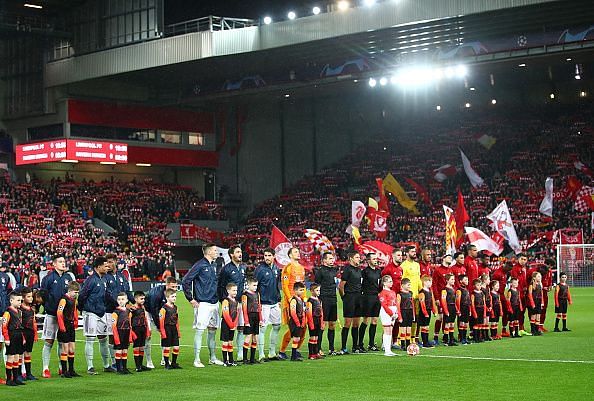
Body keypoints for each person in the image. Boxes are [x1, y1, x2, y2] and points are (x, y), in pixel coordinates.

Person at [181, 243, 224, 368]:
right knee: (200, 331)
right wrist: (191, 299)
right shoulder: (199, 265)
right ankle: (197, 359)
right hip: (203, 304)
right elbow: (186, 281)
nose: (217, 252)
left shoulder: (215, 265)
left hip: (214, 303)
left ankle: (212, 358)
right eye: (215, 250)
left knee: (212, 331)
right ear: (209, 252)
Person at [39, 255, 76, 378]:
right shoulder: (48, 278)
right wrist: (49, 306)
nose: (63, 264)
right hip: (51, 314)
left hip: (65, 317)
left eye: (64, 262)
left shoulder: (68, 277)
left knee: (62, 342)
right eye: (60, 262)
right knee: (49, 341)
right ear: (54, 264)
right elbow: (42, 295)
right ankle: (45, 368)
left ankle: (62, 367)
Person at [79, 256, 113, 375]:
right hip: (91, 313)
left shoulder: (103, 279)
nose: (107, 267)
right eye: (105, 265)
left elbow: (107, 296)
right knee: (90, 339)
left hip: (101, 312)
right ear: (98, 267)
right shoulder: (91, 280)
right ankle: (90, 366)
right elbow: (82, 295)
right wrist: (83, 309)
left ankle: (106, 365)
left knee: (103, 339)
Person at [218, 246, 247, 356]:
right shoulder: (226, 269)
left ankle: (239, 353)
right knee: (231, 328)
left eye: (241, 252)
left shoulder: (243, 267)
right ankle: (229, 354)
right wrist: (224, 301)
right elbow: (221, 286)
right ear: (231, 255)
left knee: (241, 328)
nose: (240, 254)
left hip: (241, 302)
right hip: (230, 304)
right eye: (238, 252)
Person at [254, 248, 282, 361]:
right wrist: (256, 302)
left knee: (277, 325)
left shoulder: (276, 268)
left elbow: (276, 285)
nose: (267, 257)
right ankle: (261, 354)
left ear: (274, 256)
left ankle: (272, 352)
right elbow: (254, 286)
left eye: (269, 255)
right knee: (262, 328)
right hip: (264, 303)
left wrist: (279, 298)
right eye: (265, 255)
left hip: (275, 302)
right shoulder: (260, 269)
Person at [279, 247, 306, 360]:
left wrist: (304, 299)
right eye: (295, 252)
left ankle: (296, 350)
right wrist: (290, 300)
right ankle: (282, 351)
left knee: (303, 327)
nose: (298, 253)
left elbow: (302, 286)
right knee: (293, 328)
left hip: (301, 302)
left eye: (298, 251)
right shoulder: (287, 268)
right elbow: (285, 285)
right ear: (290, 255)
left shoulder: (301, 268)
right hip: (290, 303)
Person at [145, 276, 178, 368]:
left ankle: (164, 359)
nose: (175, 289)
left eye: (176, 287)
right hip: (148, 312)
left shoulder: (169, 295)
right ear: (167, 285)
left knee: (165, 334)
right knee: (148, 336)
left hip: (160, 313)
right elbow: (154, 310)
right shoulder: (156, 294)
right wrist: (159, 326)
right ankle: (149, 361)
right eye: (173, 287)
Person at [314, 252, 338, 355]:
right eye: (330, 258)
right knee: (322, 325)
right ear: (324, 260)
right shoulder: (320, 271)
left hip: (333, 299)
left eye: (333, 258)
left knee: (332, 324)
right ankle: (318, 348)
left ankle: (331, 348)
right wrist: (318, 300)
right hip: (324, 299)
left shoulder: (334, 270)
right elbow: (316, 286)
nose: (332, 260)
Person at [338, 251, 363, 354]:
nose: (359, 259)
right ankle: (343, 347)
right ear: (351, 258)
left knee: (356, 323)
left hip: (358, 297)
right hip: (349, 297)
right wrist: (344, 297)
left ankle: (355, 346)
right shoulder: (347, 269)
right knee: (348, 323)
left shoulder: (359, 270)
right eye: (357, 257)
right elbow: (341, 286)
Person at [57, 281, 80, 378]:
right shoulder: (63, 300)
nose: (76, 294)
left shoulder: (73, 300)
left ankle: (71, 370)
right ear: (70, 291)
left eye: (77, 292)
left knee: (72, 348)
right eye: (75, 292)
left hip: (71, 326)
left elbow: (74, 310)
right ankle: (64, 371)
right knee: (65, 348)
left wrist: (76, 320)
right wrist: (61, 326)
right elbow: (59, 312)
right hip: (65, 325)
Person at [359, 252, 381, 351]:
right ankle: (360, 343)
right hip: (367, 297)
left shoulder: (378, 271)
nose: (376, 260)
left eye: (376, 258)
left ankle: (371, 344)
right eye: (374, 259)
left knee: (375, 320)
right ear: (368, 261)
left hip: (376, 297)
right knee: (366, 320)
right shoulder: (364, 272)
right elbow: (360, 285)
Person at [2, 292, 25, 386]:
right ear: (11, 301)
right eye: (18, 300)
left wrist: (23, 337)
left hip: (18, 335)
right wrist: (6, 338)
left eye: (21, 300)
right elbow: (4, 326)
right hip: (11, 335)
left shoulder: (20, 312)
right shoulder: (7, 312)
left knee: (17, 357)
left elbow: (20, 326)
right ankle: (8, 379)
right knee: (10, 357)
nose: (20, 302)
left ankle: (15, 378)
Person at [381, 248, 403, 348]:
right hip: (388, 299)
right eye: (398, 255)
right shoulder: (388, 269)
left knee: (397, 320)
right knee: (388, 322)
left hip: (397, 297)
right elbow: (382, 283)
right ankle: (385, 342)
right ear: (393, 256)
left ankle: (394, 341)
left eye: (401, 255)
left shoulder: (400, 269)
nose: (400, 257)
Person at [432, 254, 452, 345]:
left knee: (447, 317)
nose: (450, 259)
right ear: (443, 259)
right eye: (448, 257)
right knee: (440, 317)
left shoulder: (450, 270)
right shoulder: (437, 270)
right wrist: (436, 298)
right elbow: (434, 285)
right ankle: (435, 336)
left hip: (449, 298)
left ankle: (445, 335)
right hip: (440, 297)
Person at [241, 277, 262, 365]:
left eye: (256, 285)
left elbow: (259, 307)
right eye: (253, 285)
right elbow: (244, 309)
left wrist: (261, 319)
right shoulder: (245, 295)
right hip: (249, 316)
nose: (255, 287)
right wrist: (246, 321)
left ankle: (252, 359)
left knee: (255, 338)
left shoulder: (257, 294)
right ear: (248, 285)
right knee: (248, 337)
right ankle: (245, 359)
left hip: (256, 316)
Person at [112, 292, 134, 374]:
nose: (121, 301)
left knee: (125, 350)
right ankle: (118, 369)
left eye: (122, 299)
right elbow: (113, 326)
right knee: (119, 350)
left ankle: (124, 368)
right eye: (119, 299)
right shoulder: (116, 312)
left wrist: (130, 335)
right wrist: (116, 337)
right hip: (119, 332)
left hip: (126, 332)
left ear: (126, 300)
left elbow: (130, 324)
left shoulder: (128, 311)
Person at [159, 289, 181, 370]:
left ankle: (174, 363)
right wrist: (163, 332)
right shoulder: (163, 308)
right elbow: (161, 321)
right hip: (167, 328)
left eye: (175, 296)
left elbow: (177, 320)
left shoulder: (175, 307)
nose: (174, 298)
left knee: (176, 347)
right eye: (172, 297)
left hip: (174, 329)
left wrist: (178, 331)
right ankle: (167, 364)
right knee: (167, 347)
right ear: (167, 297)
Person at [20, 287, 38, 380]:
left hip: (30, 333)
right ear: (23, 298)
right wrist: (21, 336)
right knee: (20, 354)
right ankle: (18, 374)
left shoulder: (31, 309)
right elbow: (18, 323)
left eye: (31, 296)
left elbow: (34, 321)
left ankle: (28, 373)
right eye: (29, 296)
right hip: (23, 332)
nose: (31, 298)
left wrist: (35, 333)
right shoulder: (20, 309)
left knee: (28, 353)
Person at [130, 291, 151, 372]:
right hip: (136, 329)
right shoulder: (133, 309)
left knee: (142, 346)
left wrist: (148, 329)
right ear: (135, 299)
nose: (143, 300)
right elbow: (129, 319)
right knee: (136, 346)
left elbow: (145, 318)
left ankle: (141, 365)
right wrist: (131, 331)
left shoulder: (143, 307)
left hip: (143, 328)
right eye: (141, 299)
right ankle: (137, 366)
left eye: (144, 299)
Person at [378, 275, 398, 357]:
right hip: (386, 312)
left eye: (391, 281)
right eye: (389, 281)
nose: (391, 283)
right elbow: (384, 305)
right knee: (387, 330)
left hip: (393, 311)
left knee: (390, 330)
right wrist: (391, 313)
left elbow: (396, 303)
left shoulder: (393, 292)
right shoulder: (383, 293)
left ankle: (389, 349)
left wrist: (396, 313)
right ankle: (386, 350)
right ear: (384, 283)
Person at [510, 254, 530, 336]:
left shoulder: (524, 268)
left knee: (522, 311)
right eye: (522, 259)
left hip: (524, 293)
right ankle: (515, 329)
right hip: (517, 294)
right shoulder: (515, 268)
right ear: (518, 259)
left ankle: (521, 328)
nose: (523, 261)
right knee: (516, 312)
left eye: (525, 259)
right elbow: (515, 281)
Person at [288, 282, 307, 362]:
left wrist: (303, 321)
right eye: (300, 290)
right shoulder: (293, 300)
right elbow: (293, 313)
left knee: (298, 338)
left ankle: (294, 355)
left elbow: (303, 311)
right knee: (296, 338)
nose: (302, 292)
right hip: (294, 322)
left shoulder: (301, 300)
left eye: (303, 290)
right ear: (295, 290)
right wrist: (298, 323)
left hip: (300, 321)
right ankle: (293, 356)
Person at [220, 283, 239, 366]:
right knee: (225, 342)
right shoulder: (225, 301)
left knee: (231, 342)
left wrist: (234, 324)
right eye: (233, 290)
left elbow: (237, 314)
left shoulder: (236, 302)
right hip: (226, 324)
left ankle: (231, 360)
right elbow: (225, 314)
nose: (235, 292)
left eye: (236, 290)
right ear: (228, 291)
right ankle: (225, 361)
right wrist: (231, 324)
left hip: (232, 324)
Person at [491, 262, 512, 337]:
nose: (508, 271)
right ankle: (493, 332)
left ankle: (503, 330)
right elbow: (492, 285)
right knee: (496, 313)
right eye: (508, 269)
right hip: (497, 296)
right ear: (505, 266)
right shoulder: (497, 273)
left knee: (506, 312)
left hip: (502, 295)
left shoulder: (505, 273)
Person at [417, 275, 438, 348]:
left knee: (427, 327)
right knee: (424, 326)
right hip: (423, 312)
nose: (431, 283)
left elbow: (432, 302)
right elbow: (422, 304)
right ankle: (424, 342)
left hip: (428, 311)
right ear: (424, 282)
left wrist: (434, 310)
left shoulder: (429, 291)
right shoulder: (422, 292)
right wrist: (425, 313)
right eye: (429, 281)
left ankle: (426, 341)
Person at [306, 283, 324, 360]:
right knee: (312, 337)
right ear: (312, 291)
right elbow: (309, 313)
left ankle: (316, 353)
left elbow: (321, 312)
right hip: (312, 321)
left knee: (316, 338)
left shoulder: (319, 300)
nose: (318, 292)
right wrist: (311, 323)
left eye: (319, 290)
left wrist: (322, 322)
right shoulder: (310, 301)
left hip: (318, 321)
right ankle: (311, 354)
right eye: (317, 290)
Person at [440, 273, 458, 346]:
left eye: (454, 279)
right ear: (447, 280)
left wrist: (456, 309)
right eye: (452, 279)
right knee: (447, 324)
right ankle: (446, 340)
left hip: (453, 307)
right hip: (448, 307)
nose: (454, 281)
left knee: (452, 324)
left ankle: (451, 340)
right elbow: (443, 300)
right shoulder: (444, 289)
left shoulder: (453, 289)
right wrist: (446, 310)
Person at [397, 278, 414, 350]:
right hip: (403, 311)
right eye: (408, 285)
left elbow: (412, 304)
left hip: (409, 312)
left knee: (409, 328)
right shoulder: (399, 294)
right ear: (402, 285)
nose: (409, 286)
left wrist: (413, 315)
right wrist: (399, 316)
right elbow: (397, 305)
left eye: (410, 285)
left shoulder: (411, 293)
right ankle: (402, 344)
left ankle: (408, 343)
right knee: (403, 328)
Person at [455, 275, 471, 345]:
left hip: (467, 308)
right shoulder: (459, 290)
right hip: (462, 308)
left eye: (467, 279)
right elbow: (457, 300)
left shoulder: (466, 289)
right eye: (465, 280)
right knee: (461, 323)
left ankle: (464, 338)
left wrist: (469, 309)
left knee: (466, 323)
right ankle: (461, 338)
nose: (467, 281)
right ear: (461, 281)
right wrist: (458, 310)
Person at [527, 271, 544, 336]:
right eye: (538, 276)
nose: (540, 277)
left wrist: (542, 302)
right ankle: (533, 330)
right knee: (533, 316)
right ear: (534, 277)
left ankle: (537, 330)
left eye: (540, 276)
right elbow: (530, 295)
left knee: (538, 316)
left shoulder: (540, 284)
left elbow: (541, 294)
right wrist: (532, 303)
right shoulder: (531, 285)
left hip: (539, 302)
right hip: (534, 301)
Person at [470, 279, 486, 343]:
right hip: (476, 309)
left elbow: (484, 303)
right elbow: (472, 304)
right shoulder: (473, 294)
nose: (479, 286)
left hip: (481, 309)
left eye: (480, 285)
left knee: (480, 324)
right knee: (475, 324)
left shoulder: (482, 293)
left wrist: (484, 312)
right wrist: (474, 312)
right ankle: (475, 337)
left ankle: (479, 337)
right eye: (477, 285)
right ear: (474, 286)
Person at [480, 273, 492, 341]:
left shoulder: (487, 288)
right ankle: (483, 335)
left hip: (488, 306)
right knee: (484, 320)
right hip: (484, 306)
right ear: (484, 280)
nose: (489, 281)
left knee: (487, 321)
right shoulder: (482, 289)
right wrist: (486, 306)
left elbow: (488, 298)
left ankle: (487, 335)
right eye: (488, 279)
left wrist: (490, 305)